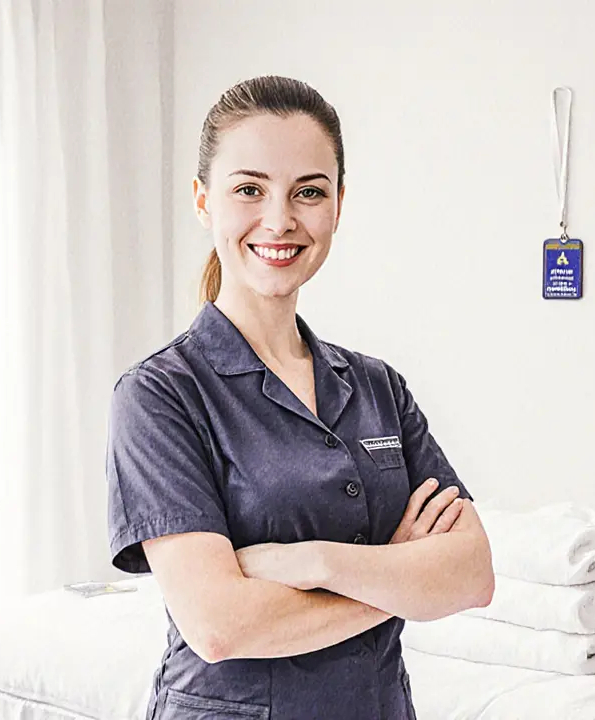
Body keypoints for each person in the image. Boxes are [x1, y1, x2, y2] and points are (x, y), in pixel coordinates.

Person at [104, 76, 494, 720]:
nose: (280, 219)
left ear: (337, 206)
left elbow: (472, 575)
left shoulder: (378, 387)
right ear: (203, 201)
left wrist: (315, 563)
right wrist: (399, 574)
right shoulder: (160, 395)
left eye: (308, 191)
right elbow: (218, 625)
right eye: (249, 190)